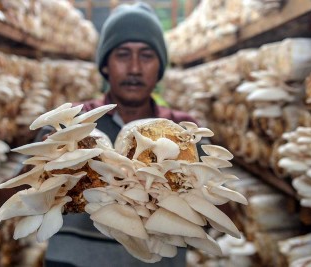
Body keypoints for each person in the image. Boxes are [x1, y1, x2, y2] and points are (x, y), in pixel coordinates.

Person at [44, 2, 200, 266]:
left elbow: (224, 212)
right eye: (123, 54)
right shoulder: (71, 123)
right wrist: (46, 167)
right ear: (105, 64)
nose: (135, 68)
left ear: (160, 67)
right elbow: (12, 196)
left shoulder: (182, 132)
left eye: (147, 55)